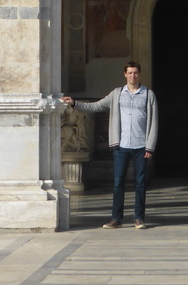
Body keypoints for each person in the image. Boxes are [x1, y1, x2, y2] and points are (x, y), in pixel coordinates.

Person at [62, 61, 158, 229]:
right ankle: (116, 218)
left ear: (139, 74)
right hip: (121, 146)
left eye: (135, 73)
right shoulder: (117, 94)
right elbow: (97, 106)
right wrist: (74, 103)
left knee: (140, 183)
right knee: (118, 183)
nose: (132, 76)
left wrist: (150, 146)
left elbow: (154, 122)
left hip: (141, 145)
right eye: (129, 73)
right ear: (125, 74)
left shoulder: (148, 95)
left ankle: (139, 218)